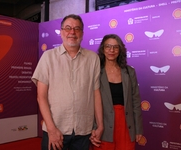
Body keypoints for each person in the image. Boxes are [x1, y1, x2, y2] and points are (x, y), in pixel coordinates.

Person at [31, 14, 103, 150]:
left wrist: (100, 125)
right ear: (61, 31)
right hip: (56, 130)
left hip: (84, 131)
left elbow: (96, 93)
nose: (72, 32)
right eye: (68, 28)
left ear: (82, 33)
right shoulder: (48, 57)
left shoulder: (93, 58)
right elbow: (41, 97)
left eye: (77, 28)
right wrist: (52, 130)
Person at [90, 34, 143, 150]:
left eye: (115, 47)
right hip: (103, 125)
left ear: (120, 50)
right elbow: (90, 102)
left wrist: (138, 129)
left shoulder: (129, 72)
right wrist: (94, 127)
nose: (111, 50)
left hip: (126, 125)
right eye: (108, 46)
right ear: (103, 49)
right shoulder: (96, 71)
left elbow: (136, 102)